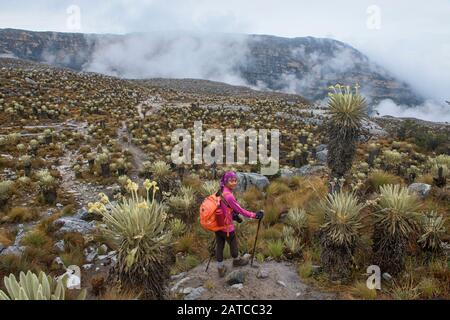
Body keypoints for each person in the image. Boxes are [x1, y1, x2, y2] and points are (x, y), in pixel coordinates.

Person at [215, 171, 264, 277]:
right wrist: (254, 215)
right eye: (231, 181)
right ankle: (237, 260)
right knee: (233, 243)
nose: (234, 183)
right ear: (225, 181)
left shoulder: (220, 191)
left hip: (217, 225)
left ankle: (220, 268)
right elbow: (241, 210)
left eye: (235, 180)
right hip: (227, 226)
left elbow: (223, 207)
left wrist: (233, 216)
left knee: (220, 245)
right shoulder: (229, 196)